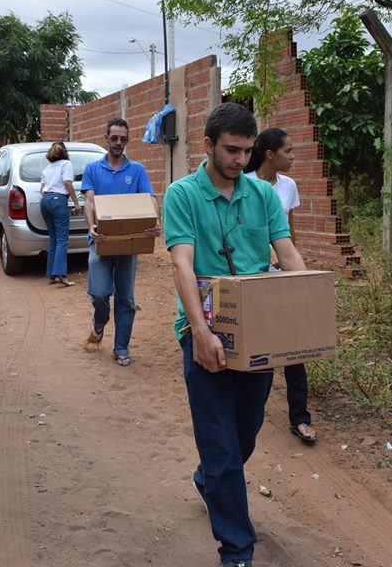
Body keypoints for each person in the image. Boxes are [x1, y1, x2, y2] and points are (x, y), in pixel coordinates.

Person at [163, 103, 307, 567]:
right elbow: (182, 265)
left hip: (257, 334)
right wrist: (201, 334)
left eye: (247, 151)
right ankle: (237, 550)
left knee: (244, 435)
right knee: (222, 445)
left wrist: (303, 308)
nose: (240, 160)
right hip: (204, 329)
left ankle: (208, 480)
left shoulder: (263, 196)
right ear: (207, 145)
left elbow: (287, 255)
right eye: (231, 150)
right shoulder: (182, 195)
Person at [243, 128, 318, 444]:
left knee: (293, 347)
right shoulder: (244, 184)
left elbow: (290, 233)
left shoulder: (288, 186)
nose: (293, 156)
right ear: (270, 154)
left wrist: (295, 274)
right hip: (254, 279)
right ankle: (249, 417)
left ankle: (300, 417)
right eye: (288, 151)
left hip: (282, 277)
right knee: (260, 350)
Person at [80, 118, 161, 366]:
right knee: (100, 294)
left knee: (125, 298)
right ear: (106, 138)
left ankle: (121, 348)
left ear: (127, 140)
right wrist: (91, 226)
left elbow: (149, 198)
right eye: (114, 138)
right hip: (100, 241)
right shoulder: (93, 169)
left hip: (128, 245)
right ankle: (99, 322)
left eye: (123, 139)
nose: (118, 143)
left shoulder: (137, 171)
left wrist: (156, 221)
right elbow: (90, 202)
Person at [39, 141, 81, 287]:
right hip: (58, 200)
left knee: (53, 239)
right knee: (63, 239)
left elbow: (41, 189)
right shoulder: (66, 164)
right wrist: (75, 202)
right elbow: (67, 183)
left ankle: (51, 274)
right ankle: (61, 275)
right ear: (65, 152)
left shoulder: (47, 168)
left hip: (45, 201)